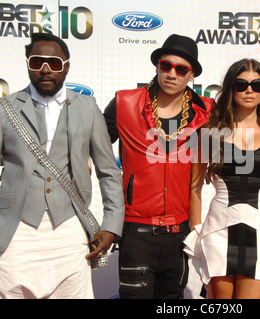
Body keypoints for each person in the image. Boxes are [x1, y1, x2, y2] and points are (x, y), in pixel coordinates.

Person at [0, 33, 124, 299]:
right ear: (27, 65)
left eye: (54, 63)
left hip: (69, 230)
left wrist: (112, 223)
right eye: (37, 62)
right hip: (14, 230)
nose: (45, 70)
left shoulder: (87, 107)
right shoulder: (3, 109)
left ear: (67, 67)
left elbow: (108, 171)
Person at [103, 34, 215, 299]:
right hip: (135, 232)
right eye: (166, 65)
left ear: (191, 75)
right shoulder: (125, 103)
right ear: (157, 66)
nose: (172, 74)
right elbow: (90, 146)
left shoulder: (206, 112)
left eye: (181, 69)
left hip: (179, 233)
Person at [183, 58, 260, 299]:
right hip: (219, 228)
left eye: (256, 85)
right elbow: (195, 188)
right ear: (230, 89)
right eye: (241, 84)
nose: (249, 90)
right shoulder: (210, 131)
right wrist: (197, 230)